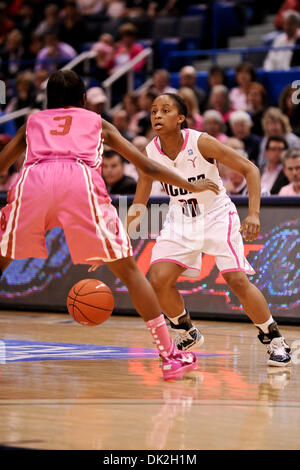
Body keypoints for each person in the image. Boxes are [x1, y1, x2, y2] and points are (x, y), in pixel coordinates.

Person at [0, 70, 218, 380]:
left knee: (2, 257)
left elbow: (1, 166)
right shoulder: (96, 122)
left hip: (32, 180)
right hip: (78, 179)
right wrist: (189, 184)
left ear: (48, 99)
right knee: (128, 271)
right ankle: (170, 355)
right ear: (83, 99)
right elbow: (144, 165)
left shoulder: (32, 123)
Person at [126, 92, 291, 367]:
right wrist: (122, 235)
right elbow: (140, 199)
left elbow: (250, 169)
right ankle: (186, 331)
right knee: (159, 278)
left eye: (165, 110)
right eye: (154, 110)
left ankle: (274, 338)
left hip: (216, 214)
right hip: (180, 218)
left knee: (236, 279)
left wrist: (253, 214)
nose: (156, 115)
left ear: (180, 118)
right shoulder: (151, 152)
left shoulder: (201, 142)